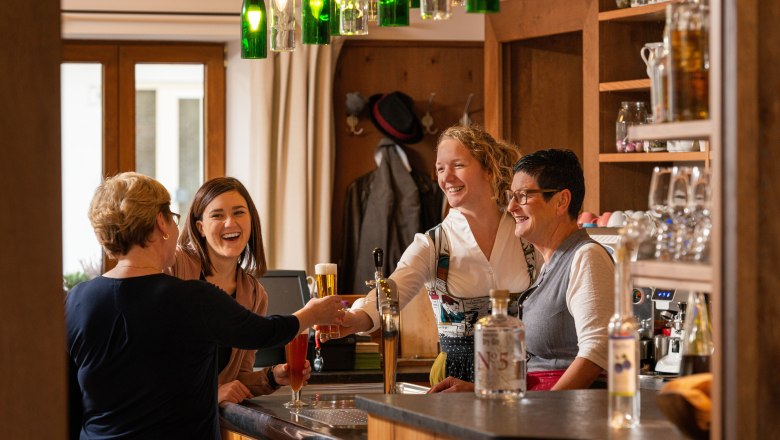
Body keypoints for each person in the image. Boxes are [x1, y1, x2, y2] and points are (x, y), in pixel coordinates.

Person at [66, 172, 344, 439]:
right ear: (162, 223)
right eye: (174, 218)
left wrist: (270, 377)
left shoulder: (75, 301)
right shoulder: (193, 297)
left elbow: (69, 397)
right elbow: (264, 332)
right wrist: (312, 313)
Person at [323, 125, 537, 385]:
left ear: (488, 168)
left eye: (457, 165)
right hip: (456, 384)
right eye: (440, 168)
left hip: (521, 382)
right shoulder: (433, 245)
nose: (446, 177)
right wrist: (356, 319)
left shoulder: (526, 237)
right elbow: (391, 290)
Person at [430, 149, 614, 392]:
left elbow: (597, 350)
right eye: (511, 196)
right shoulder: (550, 264)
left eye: (523, 196)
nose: (511, 207)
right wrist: (480, 390)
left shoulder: (586, 257)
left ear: (561, 201)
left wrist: (544, 409)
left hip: (565, 416)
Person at [169, 177, 304, 404]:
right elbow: (154, 367)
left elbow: (238, 377)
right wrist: (210, 395)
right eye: (217, 215)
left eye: (239, 213)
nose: (230, 223)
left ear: (251, 221)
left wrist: (272, 377)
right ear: (200, 227)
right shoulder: (174, 267)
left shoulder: (254, 294)